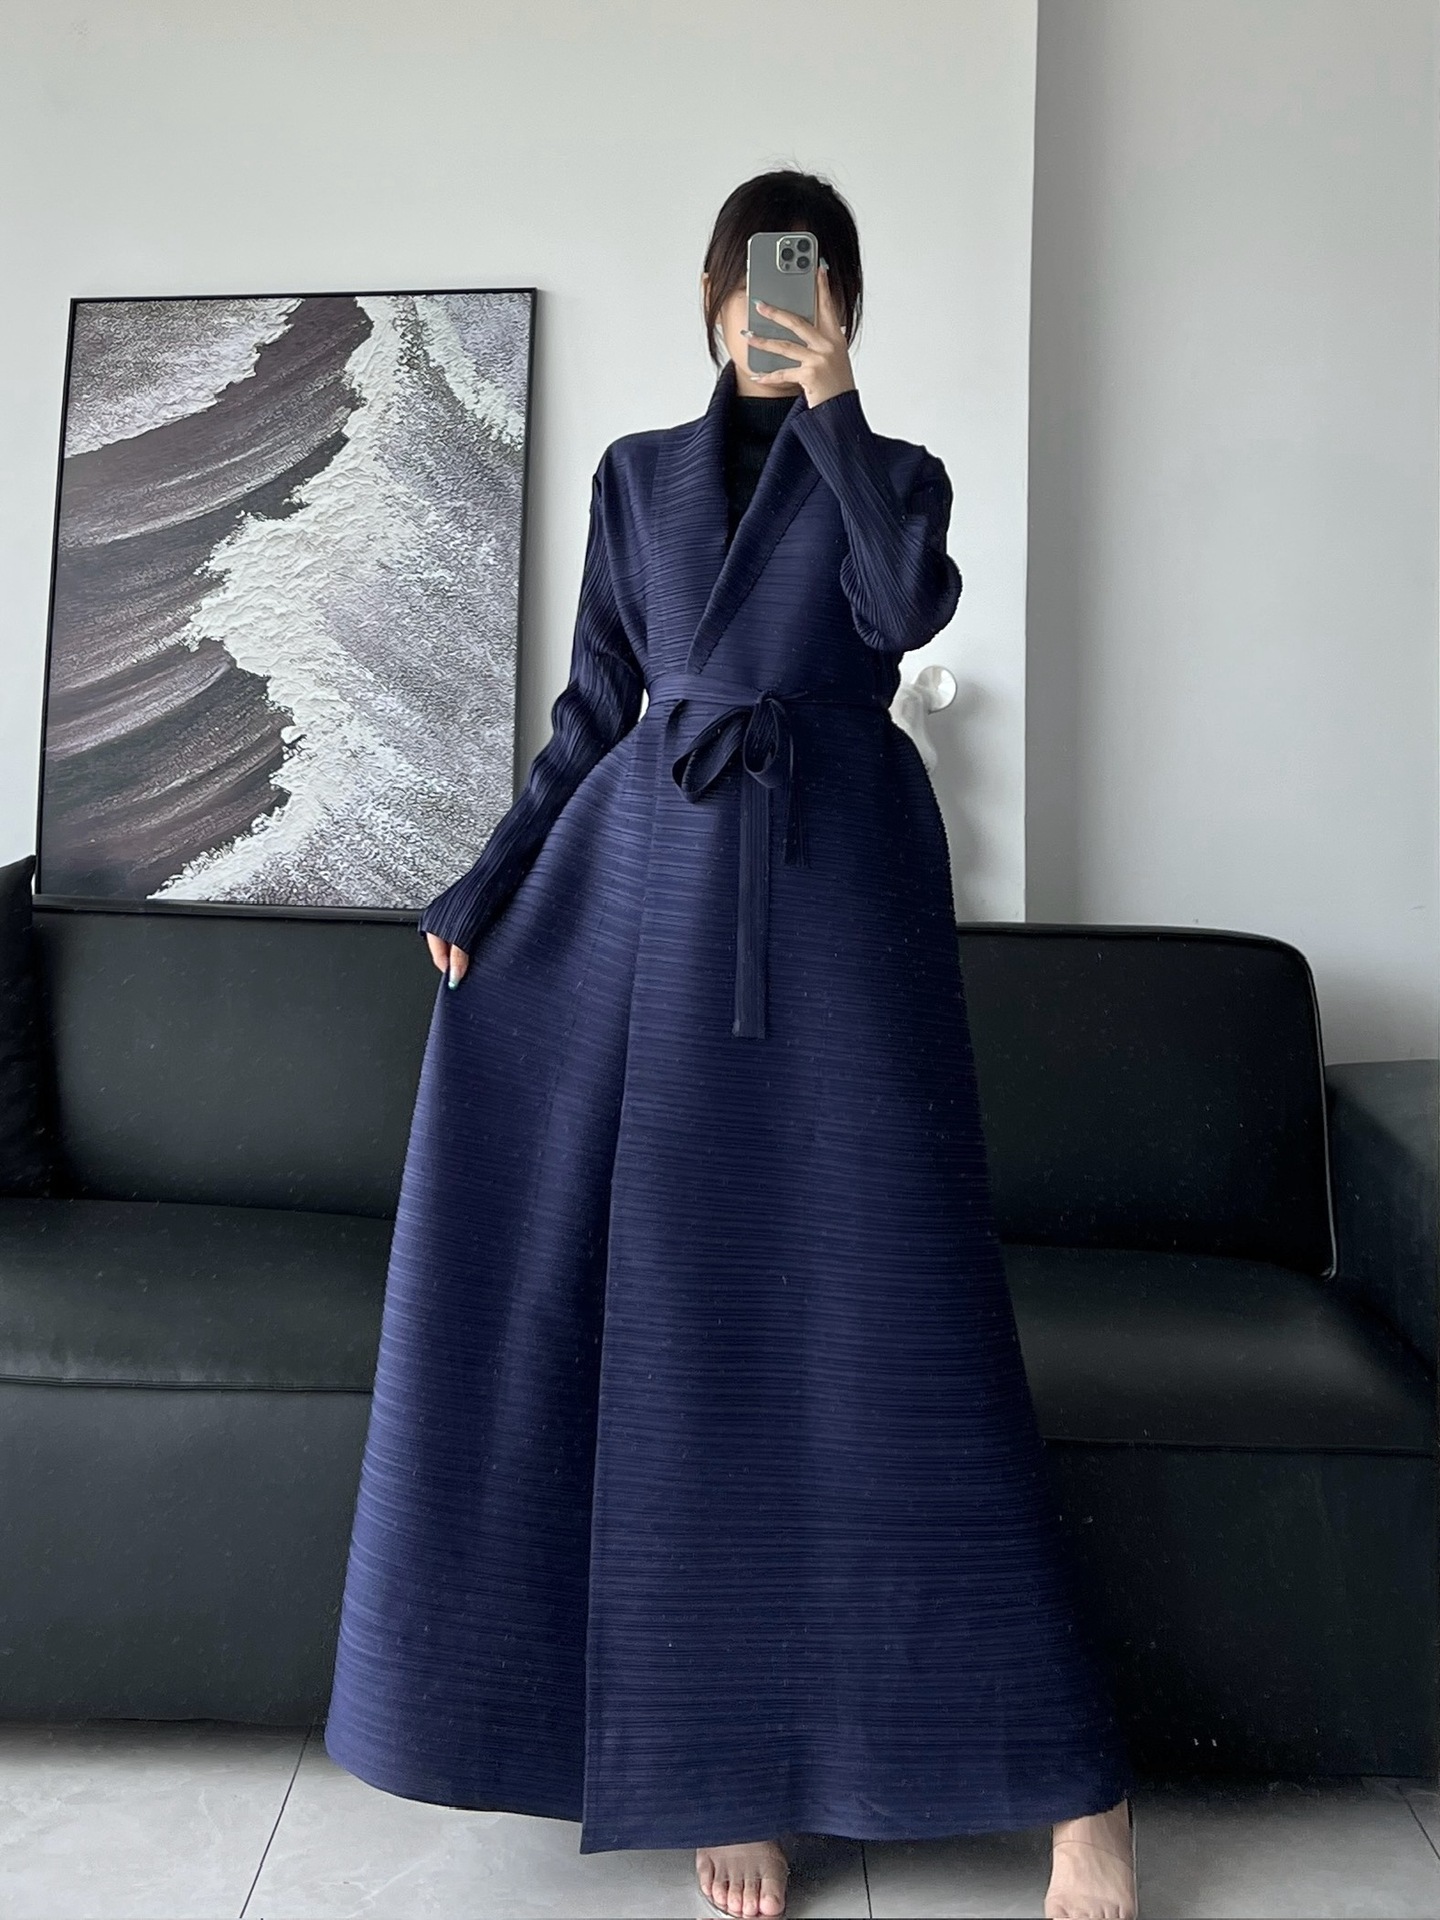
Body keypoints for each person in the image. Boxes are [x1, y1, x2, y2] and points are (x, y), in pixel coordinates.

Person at [323, 169, 1139, 1920]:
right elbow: (590, 716)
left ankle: (1086, 1792)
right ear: (710, 296)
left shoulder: (896, 476)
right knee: (687, 1336)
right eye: (757, 282)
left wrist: (834, 406)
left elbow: (902, 613)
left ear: (841, 303)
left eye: (810, 283)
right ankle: (728, 1769)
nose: (775, 309)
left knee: (905, 1324)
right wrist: (488, 878)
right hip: (660, 923)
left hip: (842, 919)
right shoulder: (636, 481)